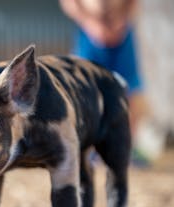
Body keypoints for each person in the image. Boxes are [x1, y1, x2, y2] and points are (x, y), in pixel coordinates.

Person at [59, 0, 152, 165]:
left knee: (130, 91)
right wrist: (90, 24)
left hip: (122, 33)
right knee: (85, 89)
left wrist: (121, 22)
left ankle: (126, 147)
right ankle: (90, 148)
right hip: (89, 33)